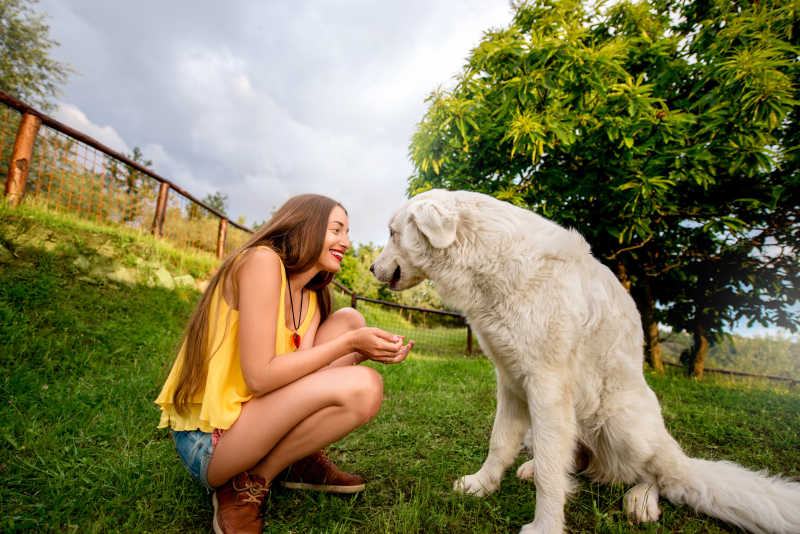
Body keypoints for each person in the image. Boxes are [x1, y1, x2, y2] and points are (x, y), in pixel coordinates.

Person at [155, 194, 414, 534]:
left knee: (351, 319)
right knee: (364, 384)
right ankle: (245, 485)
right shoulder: (261, 262)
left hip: (253, 419)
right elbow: (261, 378)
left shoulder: (310, 294)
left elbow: (296, 378)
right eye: (336, 229)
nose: (346, 242)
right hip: (210, 440)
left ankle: (289, 461)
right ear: (304, 225)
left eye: (348, 232)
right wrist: (351, 345)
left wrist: (363, 342)